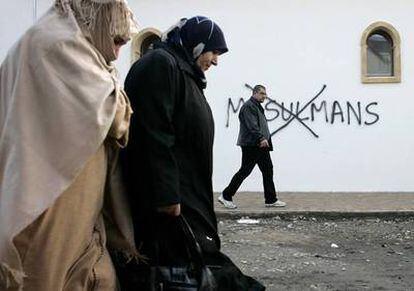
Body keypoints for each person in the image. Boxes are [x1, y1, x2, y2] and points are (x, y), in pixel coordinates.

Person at [120, 16, 265, 290]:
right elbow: (153, 133)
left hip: (188, 198)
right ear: (196, 44)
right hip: (173, 207)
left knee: (197, 274)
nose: (216, 61)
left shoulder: (183, 71)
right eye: (213, 51)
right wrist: (167, 195)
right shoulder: (160, 64)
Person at [0, 0, 136, 290]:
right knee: (46, 275)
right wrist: (121, 99)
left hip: (70, 193)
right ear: (97, 18)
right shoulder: (59, 44)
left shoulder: (45, 40)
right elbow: (114, 116)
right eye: (116, 38)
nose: (118, 50)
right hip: (49, 197)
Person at [219, 85, 287, 209]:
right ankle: (226, 195)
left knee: (267, 169)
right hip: (252, 145)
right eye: (262, 93)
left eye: (265, 94)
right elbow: (252, 126)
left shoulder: (257, 106)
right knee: (245, 170)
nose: (264, 96)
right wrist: (261, 138)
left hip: (260, 145)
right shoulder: (248, 106)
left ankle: (271, 199)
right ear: (254, 93)